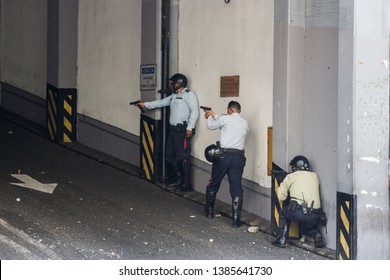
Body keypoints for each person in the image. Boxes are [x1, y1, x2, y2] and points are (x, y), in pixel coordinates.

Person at [137, 73, 199, 192]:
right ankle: (177, 180)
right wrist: (144, 104)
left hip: (183, 131)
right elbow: (160, 103)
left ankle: (186, 184)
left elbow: (195, 111)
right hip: (173, 131)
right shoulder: (173, 96)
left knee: (183, 157)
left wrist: (190, 128)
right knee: (169, 155)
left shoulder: (189, 95)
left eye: (174, 83)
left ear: (181, 83)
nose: (172, 85)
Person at [203, 101, 249, 227]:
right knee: (236, 188)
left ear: (229, 110)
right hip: (238, 157)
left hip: (224, 156)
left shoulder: (225, 119)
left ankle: (209, 212)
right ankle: (235, 221)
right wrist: (215, 115)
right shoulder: (244, 123)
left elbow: (211, 126)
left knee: (214, 183)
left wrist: (209, 117)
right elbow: (227, 121)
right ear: (238, 110)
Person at [272, 155, 325, 248]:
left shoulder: (291, 176)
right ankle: (316, 234)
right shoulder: (315, 176)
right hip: (316, 216)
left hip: (300, 213)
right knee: (304, 228)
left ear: (294, 167)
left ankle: (281, 239)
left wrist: (281, 185)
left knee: (284, 212)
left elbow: (281, 197)